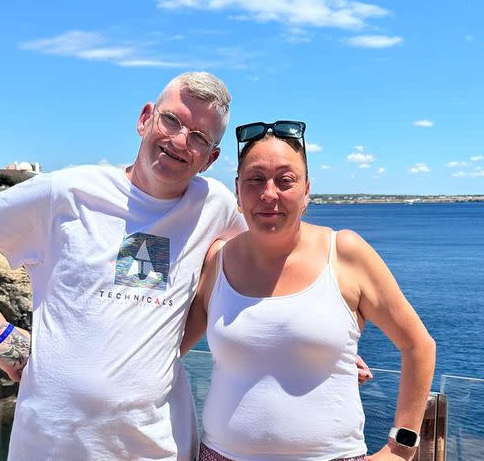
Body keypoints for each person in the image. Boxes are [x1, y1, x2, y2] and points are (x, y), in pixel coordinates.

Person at [0, 72, 247, 460]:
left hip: (157, 447)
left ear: (210, 159)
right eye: (172, 120)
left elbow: (246, 268)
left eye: (199, 137)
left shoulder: (215, 207)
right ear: (146, 118)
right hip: (48, 445)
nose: (180, 140)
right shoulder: (66, 192)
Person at [180, 121, 436, 461]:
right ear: (238, 190)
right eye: (256, 180)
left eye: (285, 181)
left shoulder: (345, 253)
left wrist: (400, 448)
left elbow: (418, 345)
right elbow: (169, 346)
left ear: (306, 190)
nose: (269, 194)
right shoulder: (218, 260)